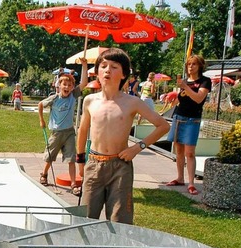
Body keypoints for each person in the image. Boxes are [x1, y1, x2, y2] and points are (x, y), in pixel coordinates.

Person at [77, 48, 169, 224]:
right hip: (94, 164)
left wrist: (137, 147)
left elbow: (163, 126)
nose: (107, 70)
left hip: (120, 166)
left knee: (120, 220)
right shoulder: (90, 101)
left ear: (124, 74)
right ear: (96, 72)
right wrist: (80, 159)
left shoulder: (132, 102)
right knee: (86, 218)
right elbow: (82, 131)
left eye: (114, 66)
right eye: (103, 66)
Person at [38, 58, 88, 196]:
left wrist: (84, 65)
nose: (66, 87)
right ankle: (44, 173)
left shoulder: (73, 96)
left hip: (69, 133)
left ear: (72, 87)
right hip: (56, 133)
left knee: (71, 159)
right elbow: (41, 104)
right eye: (64, 84)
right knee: (49, 157)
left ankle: (73, 185)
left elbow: (84, 83)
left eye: (69, 85)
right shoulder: (54, 98)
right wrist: (41, 120)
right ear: (59, 85)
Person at [165, 55, 212, 196]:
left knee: (190, 152)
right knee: (178, 150)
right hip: (179, 117)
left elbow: (198, 99)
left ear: (200, 66)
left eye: (194, 64)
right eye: (189, 64)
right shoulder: (184, 81)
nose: (190, 67)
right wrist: (175, 96)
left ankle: (191, 183)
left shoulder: (205, 81)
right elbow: (182, 99)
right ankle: (180, 178)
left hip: (193, 119)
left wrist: (185, 87)